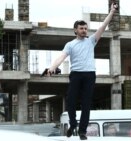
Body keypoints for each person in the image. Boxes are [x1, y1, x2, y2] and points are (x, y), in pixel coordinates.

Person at [45, 2, 118, 140]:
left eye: (86, 28)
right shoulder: (70, 44)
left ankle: (82, 131)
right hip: (76, 75)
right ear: (75, 30)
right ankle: (73, 125)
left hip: (90, 74)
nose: (84, 30)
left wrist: (112, 12)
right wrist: (51, 68)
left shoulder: (91, 41)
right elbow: (61, 57)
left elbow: (103, 26)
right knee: (71, 101)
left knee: (86, 104)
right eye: (81, 28)